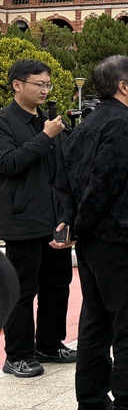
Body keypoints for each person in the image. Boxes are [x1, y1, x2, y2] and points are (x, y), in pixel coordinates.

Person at [59, 55, 128, 410]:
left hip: (91, 243)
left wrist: (73, 227)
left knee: (95, 322)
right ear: (123, 86)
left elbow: (67, 179)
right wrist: (83, 224)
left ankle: (91, 406)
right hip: (116, 240)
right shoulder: (122, 124)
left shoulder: (88, 124)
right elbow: (103, 183)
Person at [0, 59, 72, 379]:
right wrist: (45, 136)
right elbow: (9, 163)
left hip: (53, 220)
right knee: (22, 289)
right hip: (21, 220)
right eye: (38, 84)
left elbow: (60, 172)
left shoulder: (49, 121)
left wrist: (68, 214)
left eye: (48, 84)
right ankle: (17, 354)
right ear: (18, 85)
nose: (45, 90)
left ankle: (49, 343)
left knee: (58, 284)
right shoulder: (4, 121)